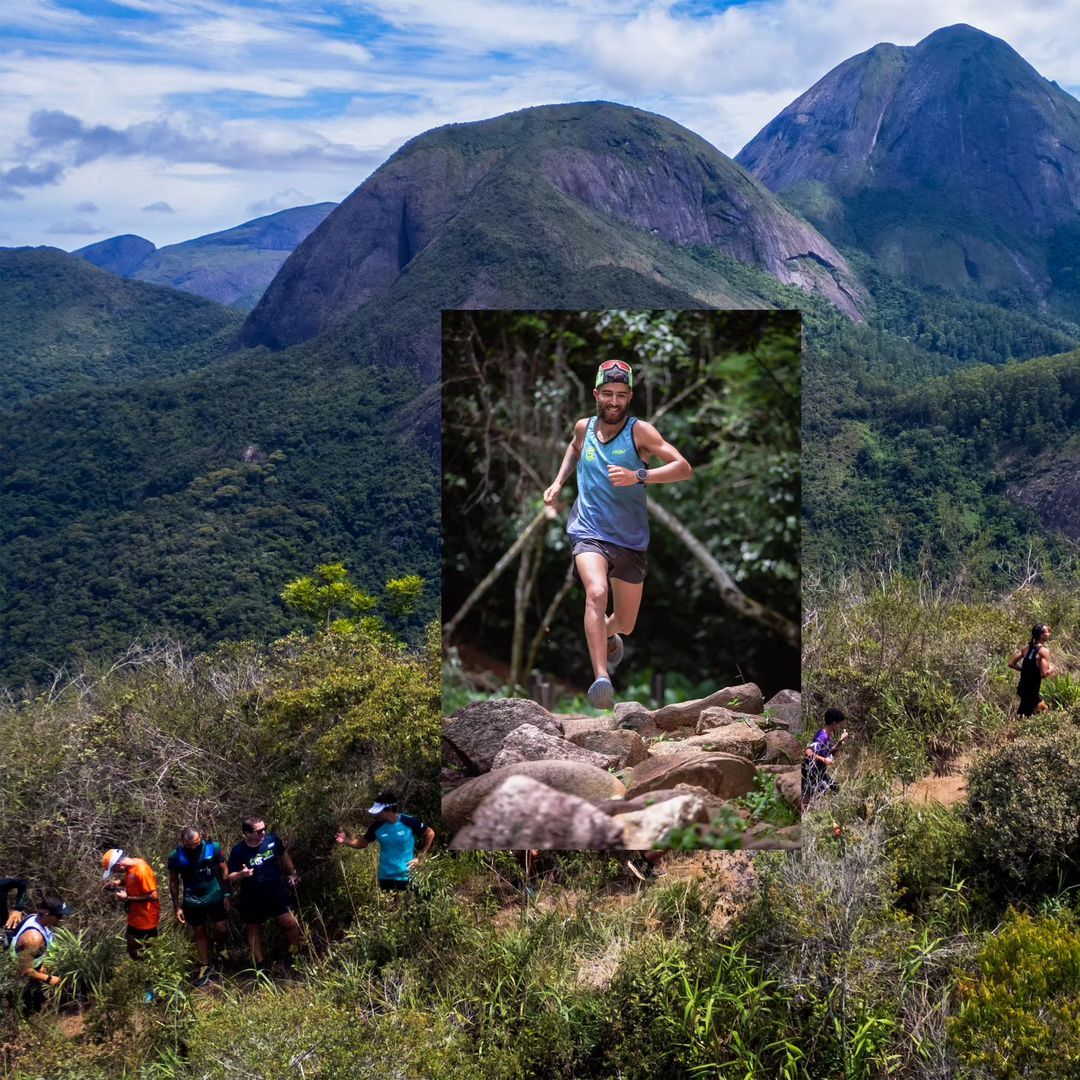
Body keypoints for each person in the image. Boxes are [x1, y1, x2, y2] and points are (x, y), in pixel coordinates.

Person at [543, 360, 693, 709]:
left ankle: (608, 636)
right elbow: (574, 448)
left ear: (629, 396)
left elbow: (683, 468)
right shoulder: (584, 427)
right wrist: (558, 482)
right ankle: (601, 677)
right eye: (607, 394)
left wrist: (639, 475)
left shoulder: (641, 432)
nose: (614, 401)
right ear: (596, 394)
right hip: (589, 530)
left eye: (621, 395)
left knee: (625, 623)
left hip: (630, 540)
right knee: (596, 593)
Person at [226, 817, 301, 968]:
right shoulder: (238, 850)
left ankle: (296, 955)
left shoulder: (271, 840)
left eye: (264, 828)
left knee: (290, 922)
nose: (263, 832)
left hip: (276, 891)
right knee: (253, 929)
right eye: (258, 831)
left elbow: (283, 854)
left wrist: (292, 872)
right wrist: (242, 874)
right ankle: (260, 965)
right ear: (247, 833)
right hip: (252, 896)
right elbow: (230, 877)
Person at [167, 827, 231, 986]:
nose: (194, 848)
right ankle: (205, 964)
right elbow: (173, 881)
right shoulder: (175, 856)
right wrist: (177, 907)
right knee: (199, 930)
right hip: (192, 899)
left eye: (196, 844)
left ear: (200, 837)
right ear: (183, 842)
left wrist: (227, 894)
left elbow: (224, 870)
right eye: (189, 846)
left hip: (215, 894)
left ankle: (221, 950)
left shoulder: (213, 848)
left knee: (221, 927)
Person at [335, 792, 435, 892]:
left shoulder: (409, 821)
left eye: (378, 812)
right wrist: (345, 840)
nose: (375, 815)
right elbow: (361, 843)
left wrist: (421, 857)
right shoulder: (376, 826)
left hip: (408, 877)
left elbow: (430, 833)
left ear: (389, 810)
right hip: (385, 878)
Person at [10, 895, 75, 1014]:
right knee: (29, 1011)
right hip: (19, 981)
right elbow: (25, 970)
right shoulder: (33, 938)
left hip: (30, 971)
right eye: (59, 915)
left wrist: (40, 966)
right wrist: (49, 979)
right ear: (46, 915)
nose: (61, 919)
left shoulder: (33, 917)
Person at [102, 848, 161, 959]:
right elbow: (132, 879)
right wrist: (117, 883)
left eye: (114, 870)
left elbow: (153, 896)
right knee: (132, 948)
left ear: (119, 864)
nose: (115, 872)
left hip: (146, 919)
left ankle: (148, 974)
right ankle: (138, 972)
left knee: (146, 953)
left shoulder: (141, 870)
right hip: (135, 916)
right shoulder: (131, 866)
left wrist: (127, 898)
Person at [802, 707, 849, 809]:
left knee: (834, 788)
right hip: (812, 771)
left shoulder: (828, 735)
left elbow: (830, 752)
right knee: (808, 795)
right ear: (833, 723)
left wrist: (841, 741)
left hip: (820, 771)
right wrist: (824, 760)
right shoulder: (822, 737)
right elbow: (808, 752)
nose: (840, 726)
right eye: (839, 723)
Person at [1008, 623, 1058, 717]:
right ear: (1041, 635)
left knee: (1028, 714)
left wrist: (1025, 670)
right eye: (1048, 631)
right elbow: (1043, 674)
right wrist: (1052, 668)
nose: (1049, 633)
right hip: (1032, 691)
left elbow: (1011, 664)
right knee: (1043, 711)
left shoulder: (1026, 649)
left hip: (1022, 688)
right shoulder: (1044, 651)